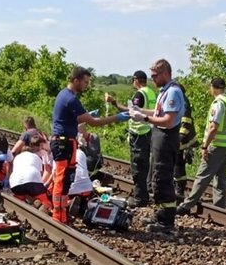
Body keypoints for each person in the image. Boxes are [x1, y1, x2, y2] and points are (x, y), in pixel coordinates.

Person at [49, 66, 130, 224]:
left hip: (66, 142)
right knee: (62, 179)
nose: (86, 85)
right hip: (63, 143)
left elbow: (74, 119)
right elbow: (93, 123)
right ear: (76, 80)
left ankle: (62, 212)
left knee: (66, 180)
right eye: (85, 82)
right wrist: (117, 118)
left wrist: (85, 116)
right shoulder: (71, 99)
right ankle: (57, 215)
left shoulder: (65, 95)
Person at [129, 59, 184, 233]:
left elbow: (168, 121)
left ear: (165, 73)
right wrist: (140, 112)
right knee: (157, 177)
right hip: (160, 136)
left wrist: (144, 119)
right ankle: (160, 214)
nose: (152, 79)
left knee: (163, 178)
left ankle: (166, 222)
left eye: (155, 75)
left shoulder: (173, 92)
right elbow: (158, 112)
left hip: (167, 137)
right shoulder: (163, 91)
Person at [176, 78, 226, 215]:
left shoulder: (218, 103)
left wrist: (205, 146)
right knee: (221, 177)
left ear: (213, 88)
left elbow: (213, 127)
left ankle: (186, 205)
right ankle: (219, 207)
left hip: (216, 145)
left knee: (202, 176)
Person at [106, 70, 156, 206]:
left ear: (136, 80)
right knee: (144, 165)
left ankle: (140, 198)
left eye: (133, 80)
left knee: (138, 166)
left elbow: (130, 112)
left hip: (139, 134)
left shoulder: (140, 94)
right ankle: (144, 194)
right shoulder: (151, 92)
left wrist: (114, 103)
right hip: (147, 132)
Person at [8, 134, 52, 211]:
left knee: (20, 198)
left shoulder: (17, 158)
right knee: (43, 199)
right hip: (32, 180)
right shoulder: (36, 157)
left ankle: (21, 205)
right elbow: (39, 175)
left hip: (15, 184)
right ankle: (45, 206)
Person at [172, 83, 197, 200]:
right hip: (179, 138)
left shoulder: (184, 102)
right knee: (177, 164)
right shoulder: (181, 100)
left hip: (183, 140)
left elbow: (185, 121)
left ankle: (179, 189)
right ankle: (177, 187)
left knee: (178, 164)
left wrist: (180, 137)